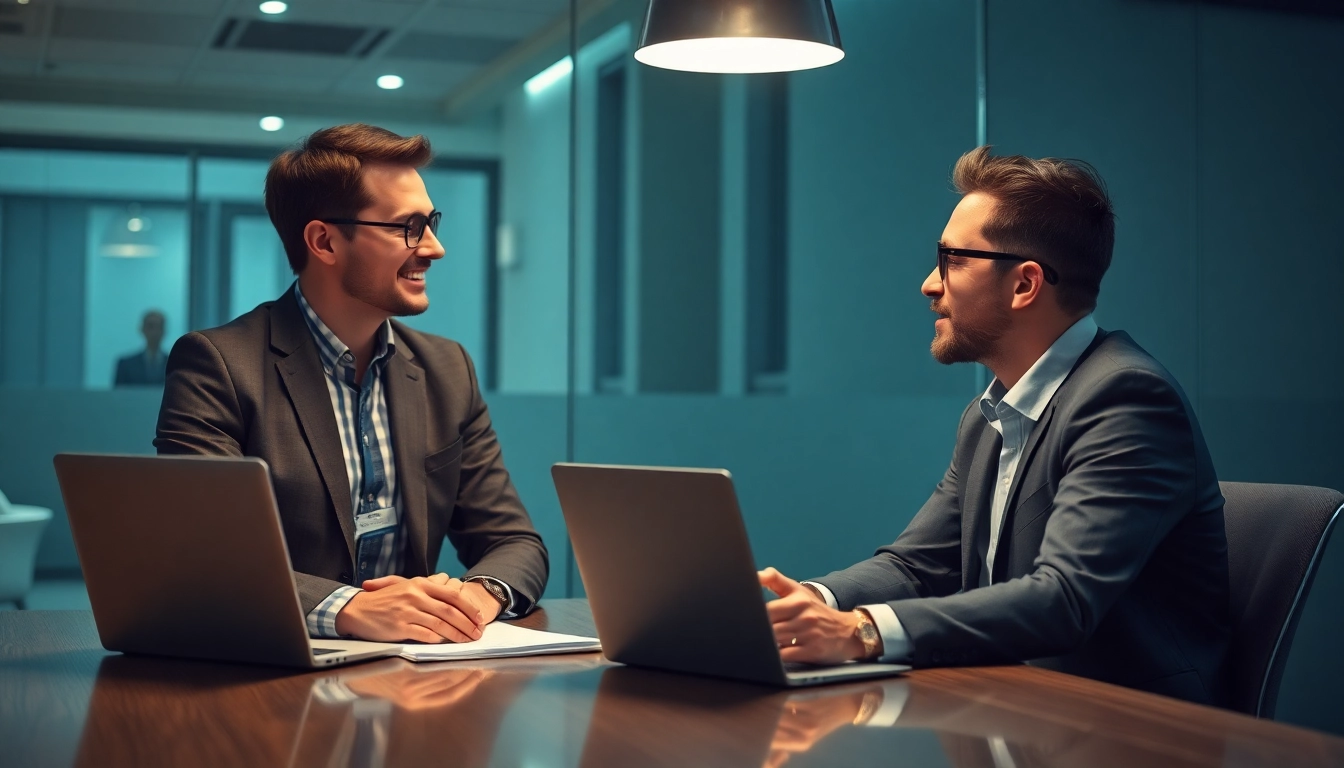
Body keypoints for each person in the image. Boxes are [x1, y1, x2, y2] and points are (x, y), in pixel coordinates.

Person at [759, 146, 1230, 705]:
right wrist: (813, 603)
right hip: (1012, 711)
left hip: (1128, 730)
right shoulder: (991, 415)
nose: (929, 285)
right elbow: (916, 566)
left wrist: (861, 632)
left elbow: (1063, 600)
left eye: (952, 259)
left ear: (1025, 284)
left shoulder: (1126, 399)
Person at [155, 124, 548, 644]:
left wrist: (476, 598)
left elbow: (515, 542)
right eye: (408, 227)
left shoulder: (447, 369)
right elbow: (203, 553)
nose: (434, 248)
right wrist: (346, 609)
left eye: (430, 222)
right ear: (324, 241)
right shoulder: (218, 364)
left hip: (415, 679)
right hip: (272, 679)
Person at [113, 310, 168, 386]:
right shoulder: (126, 365)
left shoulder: (176, 364)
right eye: (150, 326)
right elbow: (118, 395)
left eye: (159, 327)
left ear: (164, 331)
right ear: (142, 329)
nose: (154, 332)